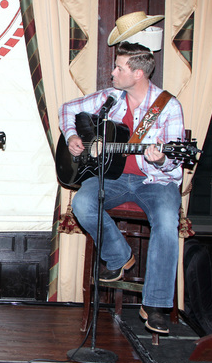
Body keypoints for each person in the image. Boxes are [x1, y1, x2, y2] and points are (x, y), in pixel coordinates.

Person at [58, 42, 185, 334]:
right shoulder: (110, 99)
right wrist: (72, 136)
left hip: (155, 181)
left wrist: (163, 157)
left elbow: (175, 164)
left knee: (167, 222)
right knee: (82, 203)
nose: (112, 72)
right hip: (112, 178)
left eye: (119, 68)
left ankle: (155, 305)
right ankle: (119, 256)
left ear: (138, 74)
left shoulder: (168, 107)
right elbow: (67, 109)